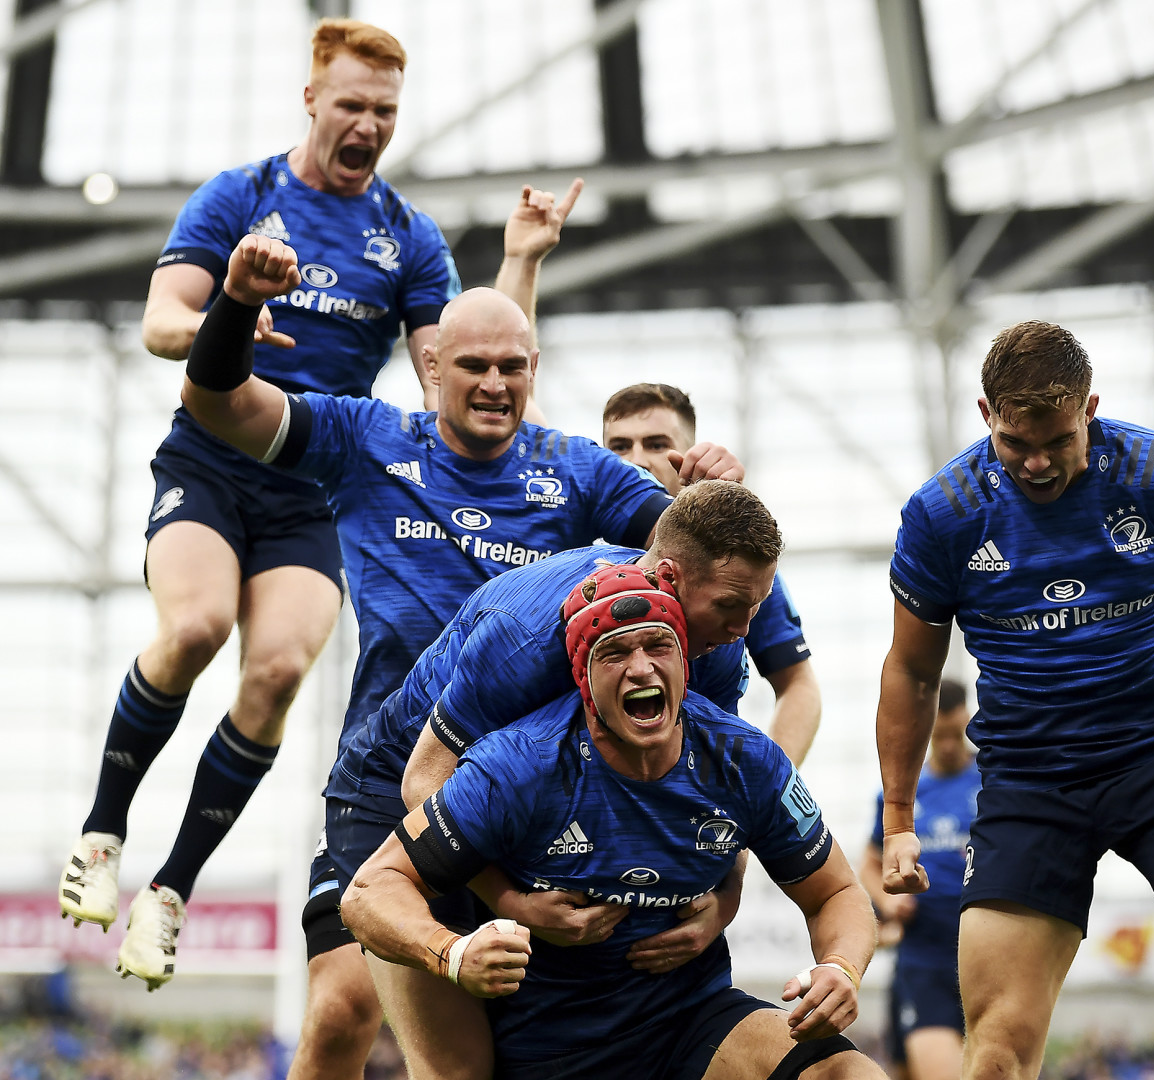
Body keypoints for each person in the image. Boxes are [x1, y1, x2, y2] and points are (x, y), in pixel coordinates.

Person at [56, 16, 578, 1000]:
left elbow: (463, 376)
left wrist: (520, 266)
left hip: (312, 493)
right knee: (199, 626)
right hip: (213, 463)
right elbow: (163, 322)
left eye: (385, 111)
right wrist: (233, 307)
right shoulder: (243, 197)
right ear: (311, 101)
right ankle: (102, 829)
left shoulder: (408, 238)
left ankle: (170, 889)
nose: (368, 125)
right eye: (351, 105)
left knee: (283, 666)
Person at [172, 234, 744, 1078]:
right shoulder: (363, 438)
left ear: (534, 371)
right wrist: (235, 302)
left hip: (525, 794)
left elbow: (690, 567)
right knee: (340, 1012)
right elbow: (215, 399)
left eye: (512, 367)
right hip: (391, 771)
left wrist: (711, 489)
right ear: (430, 364)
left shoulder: (578, 470)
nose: (493, 383)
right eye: (471, 364)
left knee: (501, 1052)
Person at [340, 562, 885, 1080]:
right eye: (615, 652)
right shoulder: (519, 766)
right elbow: (369, 892)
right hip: (547, 1046)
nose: (642, 667)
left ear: (684, 663)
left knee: (847, 1072)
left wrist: (840, 967)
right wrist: (453, 953)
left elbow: (836, 891)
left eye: (658, 646)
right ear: (583, 677)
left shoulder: (746, 760)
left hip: (693, 1022)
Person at [876, 320, 1154, 1080]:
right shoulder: (941, 513)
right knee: (997, 1053)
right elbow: (911, 672)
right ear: (986, 417)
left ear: (1089, 409)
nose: (1036, 463)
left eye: (1057, 440)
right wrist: (899, 822)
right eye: (1015, 444)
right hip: (1027, 783)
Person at [327, 477, 785, 1077]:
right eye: (731, 605)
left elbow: (719, 783)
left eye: (757, 606)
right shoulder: (526, 639)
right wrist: (511, 900)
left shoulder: (710, 645)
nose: (744, 628)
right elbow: (424, 781)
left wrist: (724, 897)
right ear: (670, 578)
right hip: (397, 790)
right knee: (458, 1066)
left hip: (514, 805)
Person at [602, 382, 821, 764]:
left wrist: (768, 790)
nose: (635, 460)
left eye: (655, 444)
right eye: (619, 446)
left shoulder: (738, 574)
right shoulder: (585, 555)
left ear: (687, 455)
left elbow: (798, 685)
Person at [859, 678, 977, 1080]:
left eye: (955, 734)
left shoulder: (994, 780)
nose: (947, 744)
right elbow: (870, 863)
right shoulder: (902, 791)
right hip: (924, 953)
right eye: (938, 735)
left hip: (986, 948)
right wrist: (889, 902)